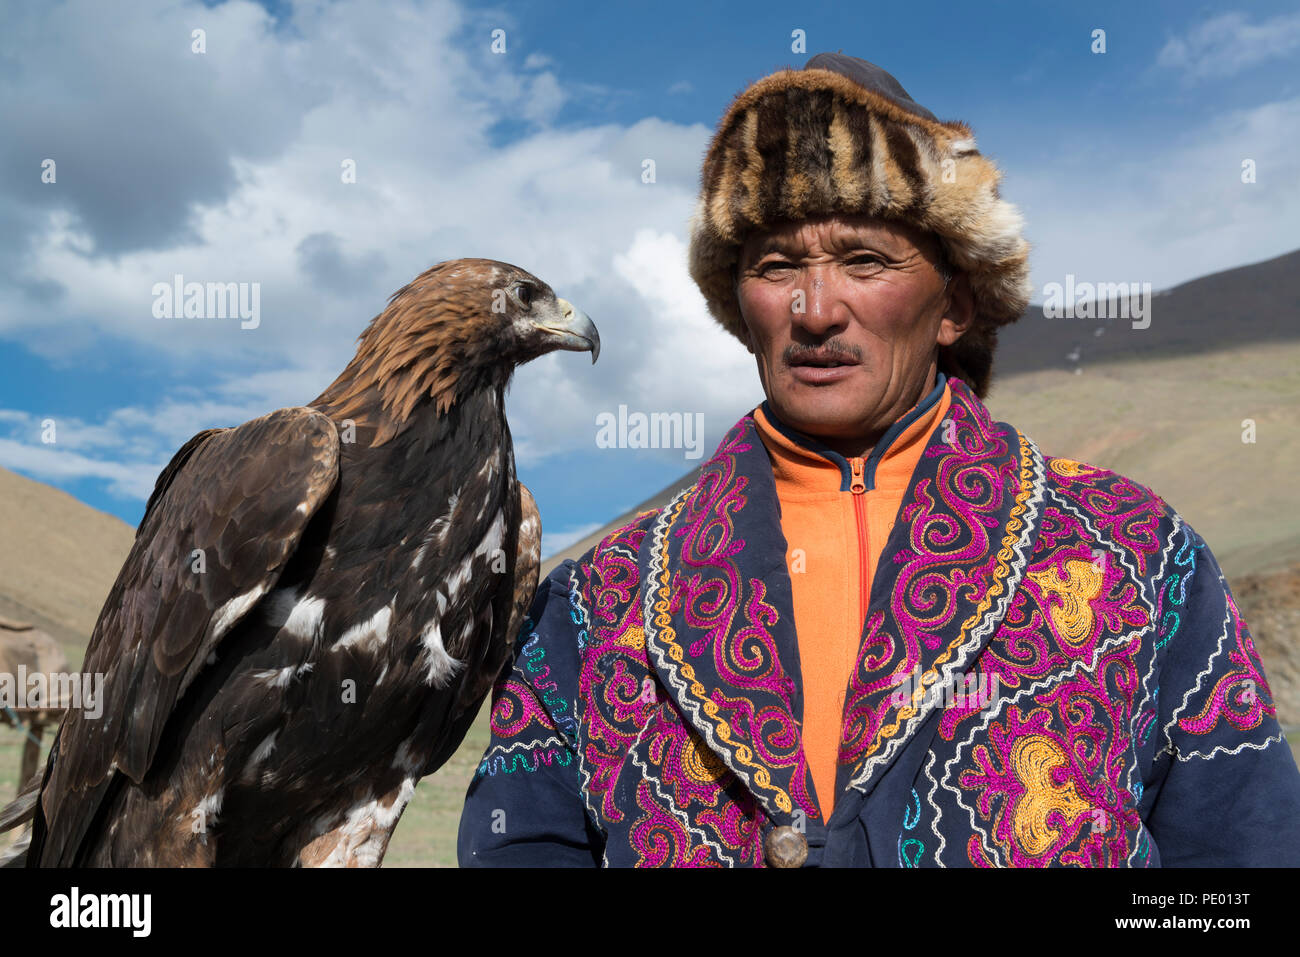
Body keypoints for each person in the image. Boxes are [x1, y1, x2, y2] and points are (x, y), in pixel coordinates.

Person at [457, 53, 1300, 867]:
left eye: (865, 260)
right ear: (740, 306)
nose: (815, 309)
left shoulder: (1135, 551)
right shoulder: (599, 597)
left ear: (954, 304)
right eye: (776, 265)